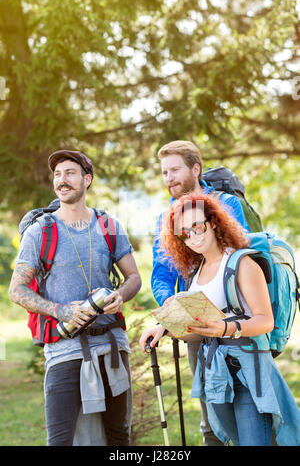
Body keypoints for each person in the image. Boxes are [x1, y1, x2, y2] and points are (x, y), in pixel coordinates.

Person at [140, 193, 300, 446]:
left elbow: (265, 321)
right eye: (184, 233)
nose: (193, 236)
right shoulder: (196, 272)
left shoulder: (242, 263)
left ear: (213, 222)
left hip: (249, 372)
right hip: (216, 373)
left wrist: (225, 327)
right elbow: (198, 330)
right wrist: (165, 328)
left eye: (197, 226)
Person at [9, 149, 141, 446]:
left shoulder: (109, 225)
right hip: (64, 351)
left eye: (69, 173)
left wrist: (120, 296)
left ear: (87, 179)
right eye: (57, 174)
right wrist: (60, 310)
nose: (62, 180)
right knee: (60, 440)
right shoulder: (39, 232)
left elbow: (134, 277)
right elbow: (16, 290)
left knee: (118, 438)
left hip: (112, 347)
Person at [150, 140, 251, 446]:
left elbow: (241, 256)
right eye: (164, 172)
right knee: (211, 422)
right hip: (196, 326)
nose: (169, 177)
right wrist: (171, 306)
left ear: (195, 169)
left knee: (251, 412)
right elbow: (161, 271)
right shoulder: (165, 219)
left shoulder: (226, 205)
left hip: (240, 326)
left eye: (175, 169)